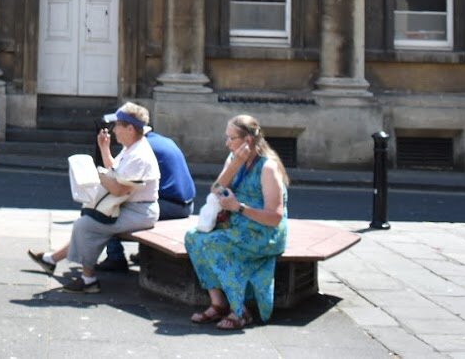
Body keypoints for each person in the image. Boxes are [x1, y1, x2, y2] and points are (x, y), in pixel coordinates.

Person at [28, 102, 160, 293]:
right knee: (90, 218)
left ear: (130, 128)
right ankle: (56, 262)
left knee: (86, 225)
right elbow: (116, 173)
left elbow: (117, 189)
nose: (114, 130)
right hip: (128, 206)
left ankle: (88, 279)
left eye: (118, 126)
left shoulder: (139, 155)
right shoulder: (132, 148)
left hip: (140, 212)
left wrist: (94, 173)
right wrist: (104, 149)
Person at [184, 114, 289, 330]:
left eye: (231, 138)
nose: (226, 143)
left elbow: (275, 217)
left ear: (248, 140)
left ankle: (240, 311)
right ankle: (219, 303)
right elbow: (215, 189)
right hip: (238, 225)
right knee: (193, 238)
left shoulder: (268, 168)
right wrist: (237, 162)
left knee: (213, 244)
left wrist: (238, 207)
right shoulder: (234, 159)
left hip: (264, 232)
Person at [97, 120, 196, 272]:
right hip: (187, 203)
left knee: (110, 210)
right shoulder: (163, 140)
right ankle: (142, 254)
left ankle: (115, 257)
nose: (117, 133)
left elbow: (116, 175)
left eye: (119, 128)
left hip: (171, 205)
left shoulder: (141, 149)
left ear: (131, 131)